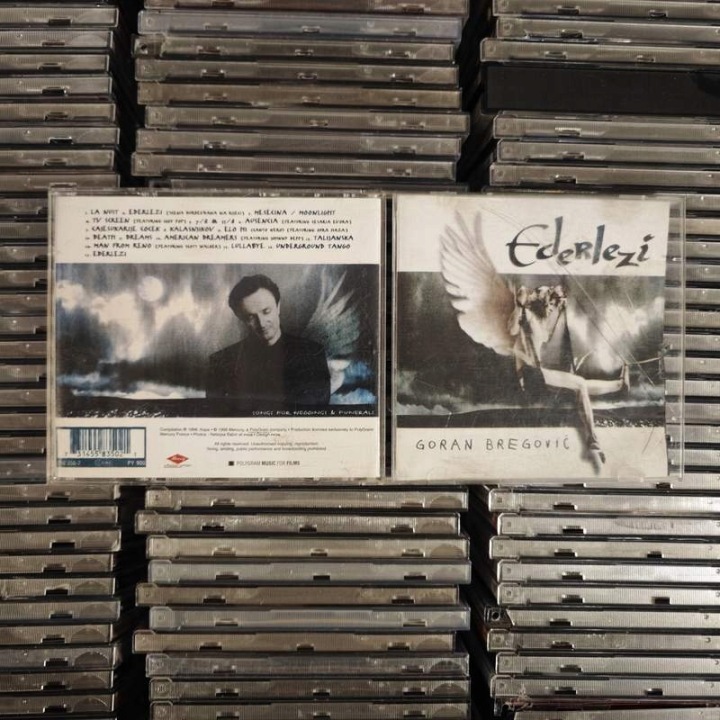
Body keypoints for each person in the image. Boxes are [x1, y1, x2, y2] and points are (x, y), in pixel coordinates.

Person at [508, 283, 629, 469]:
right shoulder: (526, 315)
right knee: (580, 384)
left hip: (537, 376)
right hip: (530, 375)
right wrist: (519, 304)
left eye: (552, 303)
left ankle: (619, 386)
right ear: (538, 299)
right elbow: (512, 330)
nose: (551, 305)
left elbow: (547, 330)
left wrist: (559, 306)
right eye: (548, 300)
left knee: (580, 386)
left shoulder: (540, 324)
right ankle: (593, 438)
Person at [206, 274, 330, 410]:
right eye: (251, 317)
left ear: (278, 307)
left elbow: (316, 412)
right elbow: (218, 415)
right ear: (241, 319)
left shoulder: (312, 354)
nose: (261, 323)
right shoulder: (221, 362)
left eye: (266, 311)